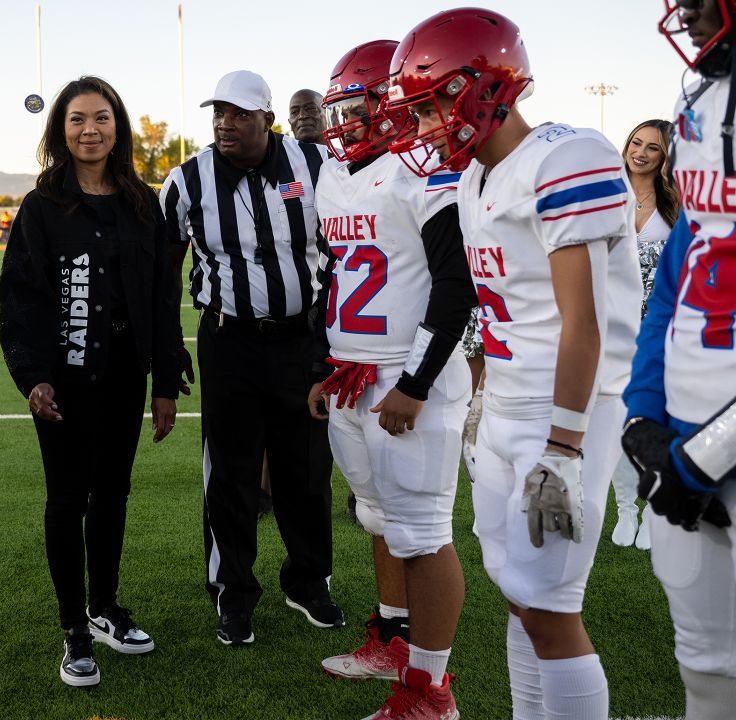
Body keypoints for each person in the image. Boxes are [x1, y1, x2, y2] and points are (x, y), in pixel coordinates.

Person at [388, 9, 642, 719]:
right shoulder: (474, 180)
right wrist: (481, 395)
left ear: (486, 86)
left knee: (551, 609)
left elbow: (582, 323)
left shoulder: (566, 156)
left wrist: (564, 444)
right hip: (506, 408)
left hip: (564, 412)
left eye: (434, 102)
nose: (426, 125)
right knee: (519, 598)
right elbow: (503, 307)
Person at [308, 39, 476, 719]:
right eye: (339, 108)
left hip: (410, 376)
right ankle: (393, 640)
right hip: (354, 373)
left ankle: (430, 692)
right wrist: (330, 365)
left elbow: (454, 285)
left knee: (423, 530)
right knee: (379, 516)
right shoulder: (332, 175)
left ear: (397, 102)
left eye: (359, 105)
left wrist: (417, 380)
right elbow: (343, 276)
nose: (344, 122)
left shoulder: (427, 167)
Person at [0, 75, 182, 688]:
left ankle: (105, 608)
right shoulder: (42, 206)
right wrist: (34, 376)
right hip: (66, 380)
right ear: (60, 131)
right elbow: (21, 296)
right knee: (67, 499)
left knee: (114, 495)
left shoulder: (141, 201)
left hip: (126, 374)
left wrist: (163, 379)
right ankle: (74, 627)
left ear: (118, 127)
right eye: (77, 120)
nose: (90, 130)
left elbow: (161, 294)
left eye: (100, 118)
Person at [160, 69, 341, 647]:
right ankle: (232, 591)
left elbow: (345, 253)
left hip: (301, 340)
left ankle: (308, 581)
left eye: (239, 114)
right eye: (219, 113)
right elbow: (162, 269)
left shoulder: (317, 167)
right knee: (231, 473)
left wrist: (329, 341)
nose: (225, 123)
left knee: (306, 471)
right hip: (229, 341)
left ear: (269, 118)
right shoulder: (188, 180)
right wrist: (167, 351)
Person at [622, 3, 736, 716]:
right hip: (683, 433)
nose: (687, 9)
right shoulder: (700, 96)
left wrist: (706, 456)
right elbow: (674, 278)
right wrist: (643, 412)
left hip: (708, 448)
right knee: (703, 664)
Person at [609, 118, 678, 550]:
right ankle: (624, 509)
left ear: (665, 156)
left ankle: (653, 507)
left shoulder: (677, 203)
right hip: (612, 324)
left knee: (654, 416)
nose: (641, 152)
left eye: (653, 147)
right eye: (636, 142)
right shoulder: (607, 190)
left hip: (660, 328)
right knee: (616, 416)